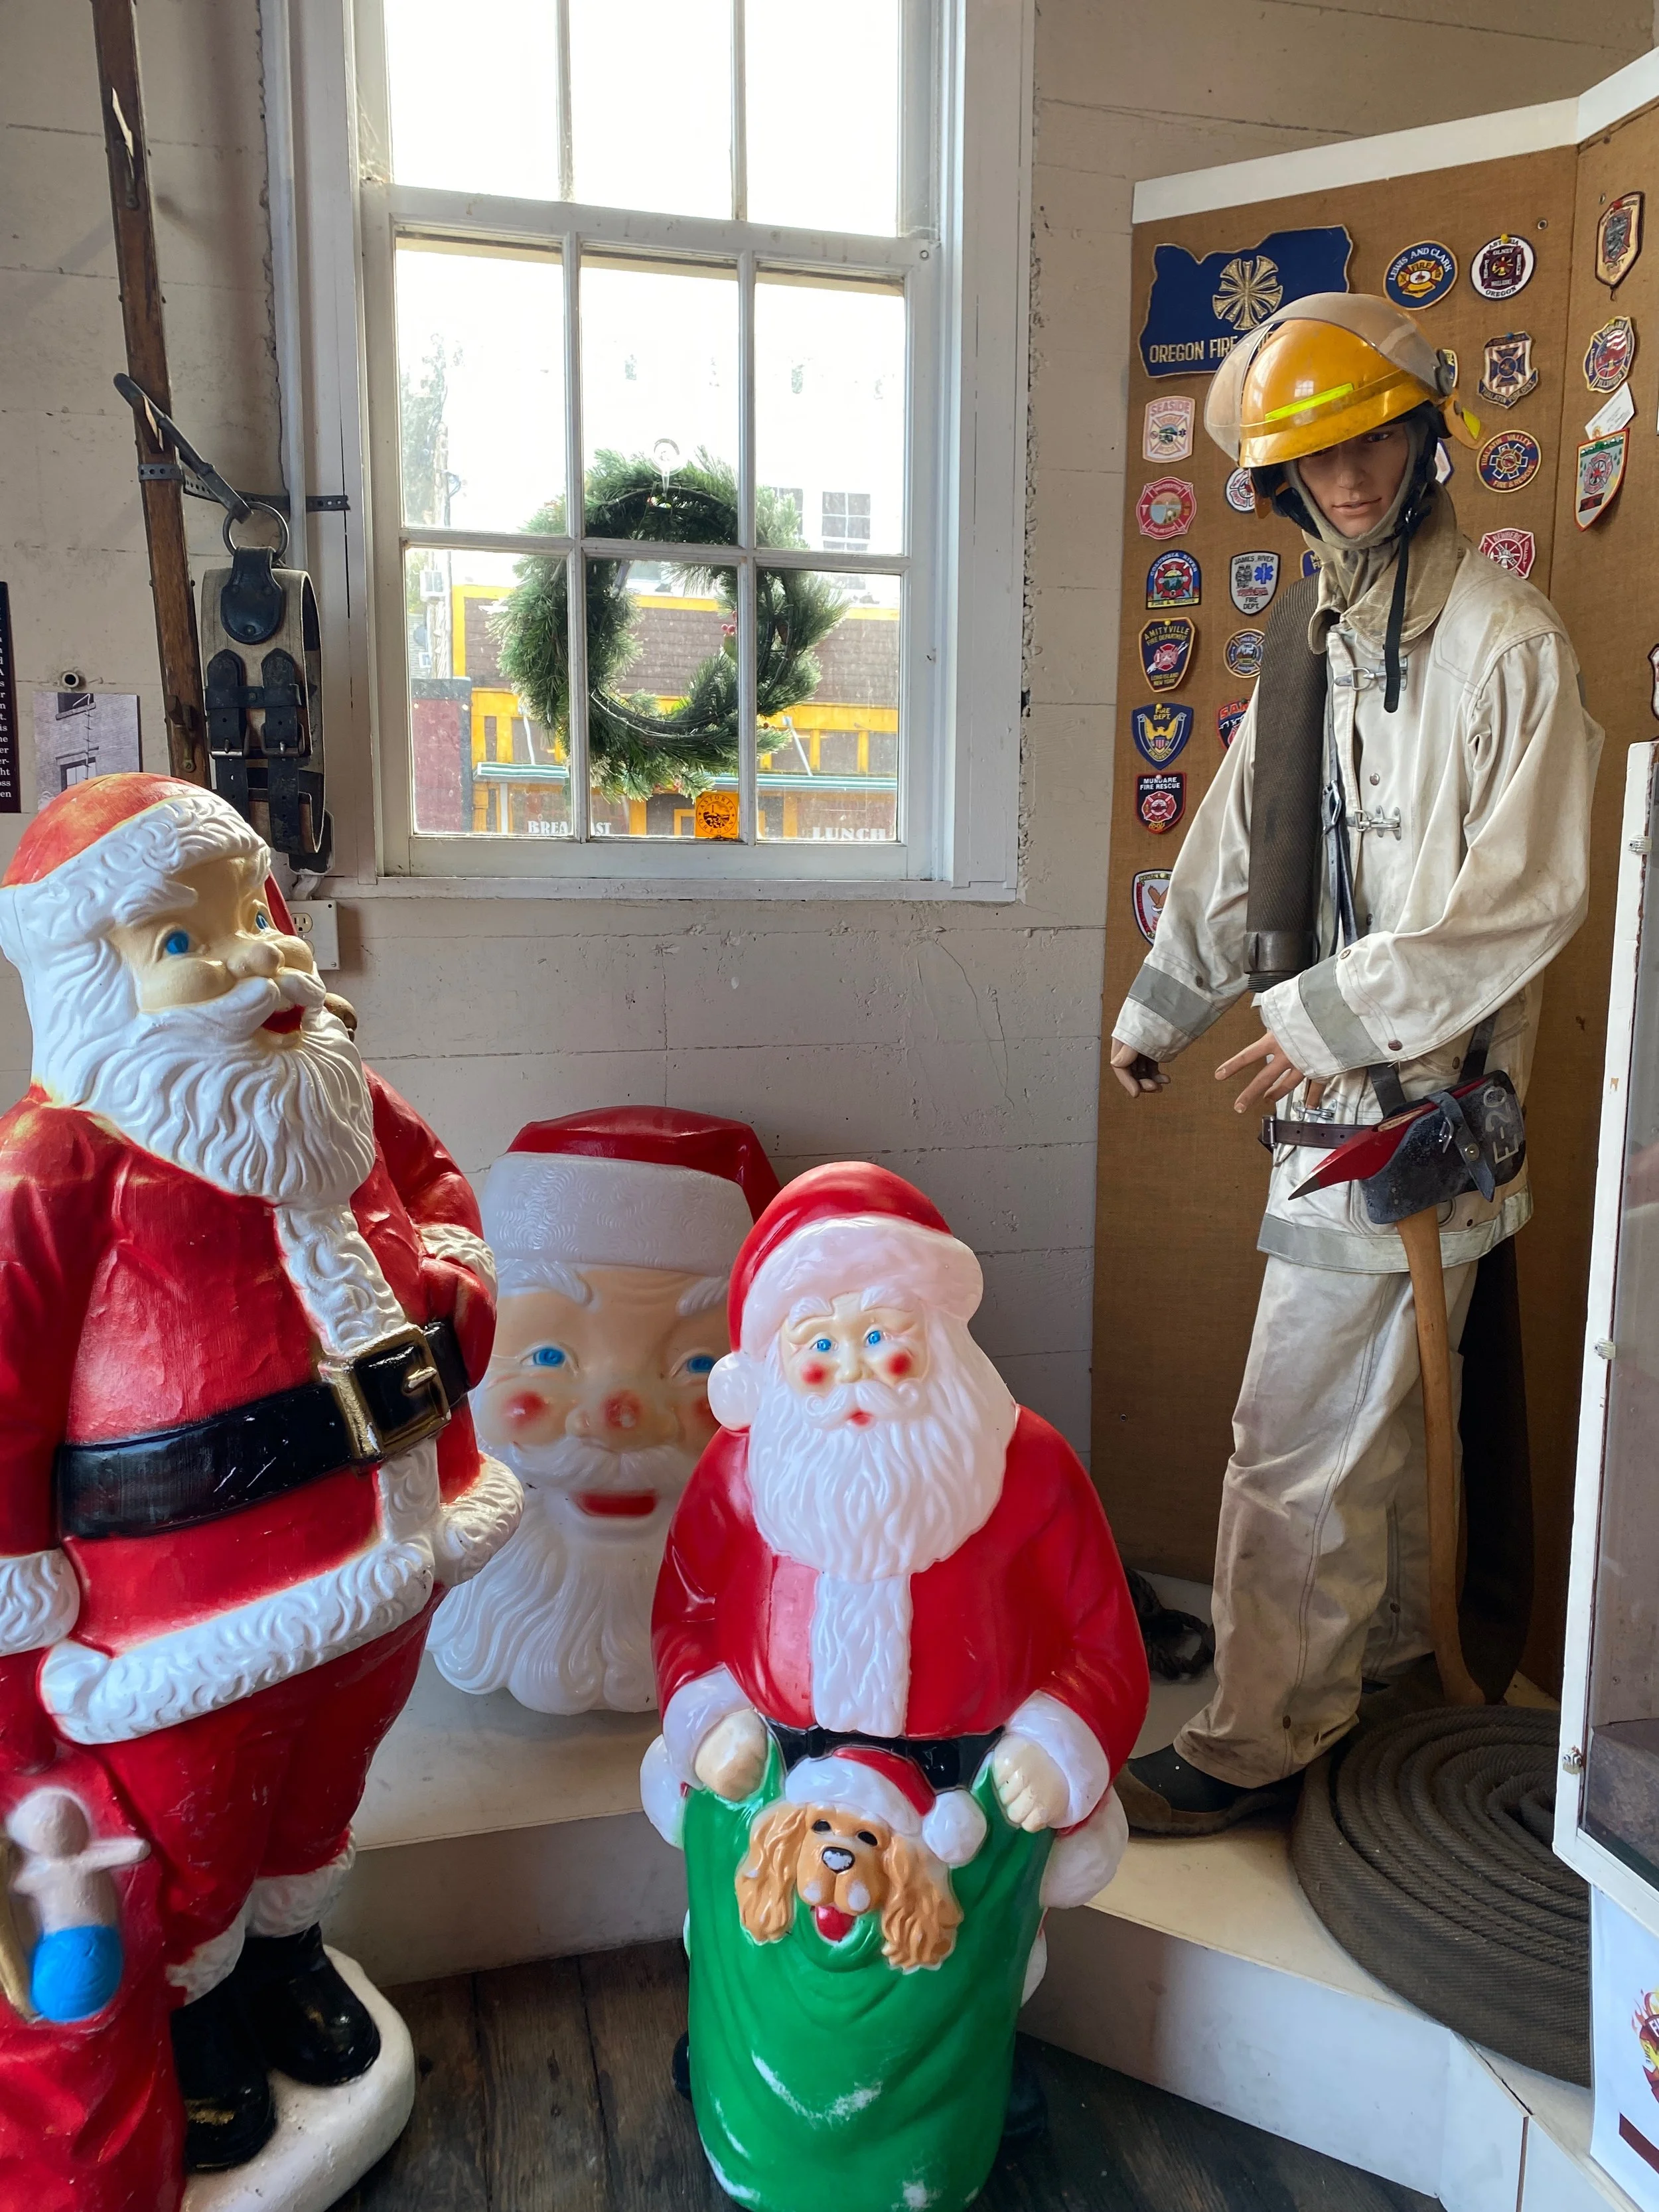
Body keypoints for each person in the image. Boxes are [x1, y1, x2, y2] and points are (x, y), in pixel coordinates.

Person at [1108, 295, 1603, 1836]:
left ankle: (1255, 1739)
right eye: (1315, 458)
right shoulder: (1305, 640)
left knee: (1297, 1444)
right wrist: (1159, 1010)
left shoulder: (1507, 647)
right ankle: (1377, 1679)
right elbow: (1236, 838)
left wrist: (1321, 1021)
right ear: (1277, 481)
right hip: (1323, 1103)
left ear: (1425, 436)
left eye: (1374, 439)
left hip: (1420, 1115)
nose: (1350, 477)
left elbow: (1520, 901)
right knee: (1373, 1435)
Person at [0, 775, 523, 2207]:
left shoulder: (330, 1089)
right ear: (91, 972)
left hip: (394, 1547)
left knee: (325, 1783)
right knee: (199, 1821)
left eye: (255, 911)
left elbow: (440, 1193)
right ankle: (199, 2002)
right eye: (186, 937)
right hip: (193, 1606)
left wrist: (454, 1295)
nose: (255, 957)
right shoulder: (59, 1167)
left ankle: (289, 1953)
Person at [642, 1164, 1149, 2211]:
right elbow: (684, 1611)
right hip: (775, 1789)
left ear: (937, 1331)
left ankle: (968, 2096)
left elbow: (1103, 1638)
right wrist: (707, 1715)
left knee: (955, 1983)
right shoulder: (740, 1471)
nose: (855, 1374)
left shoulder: (1030, 1468)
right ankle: (746, 2089)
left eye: (881, 1335)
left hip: (966, 1808)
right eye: (819, 1347)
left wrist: (1056, 1745)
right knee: (761, 1969)